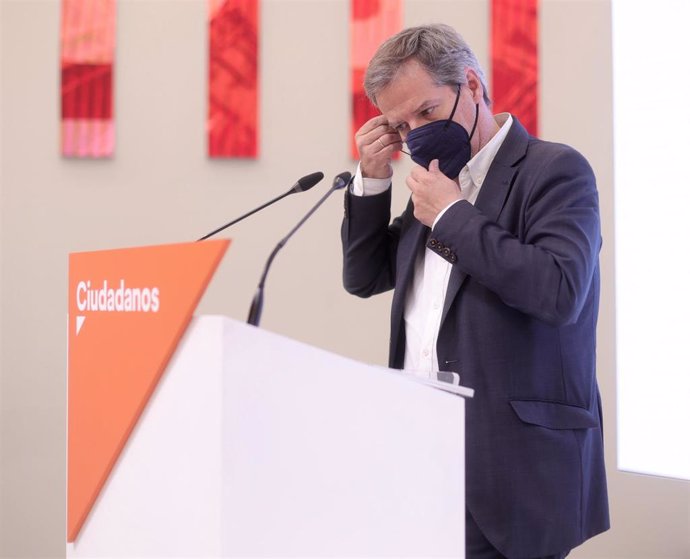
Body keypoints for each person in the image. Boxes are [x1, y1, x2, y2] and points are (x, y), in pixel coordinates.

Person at [341, 23, 609, 559]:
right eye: (399, 126)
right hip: (423, 458)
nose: (415, 133)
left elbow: (558, 291)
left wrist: (452, 214)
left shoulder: (554, 171)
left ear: (472, 85)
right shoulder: (437, 180)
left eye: (427, 112)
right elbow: (365, 276)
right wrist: (372, 179)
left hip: (514, 467)